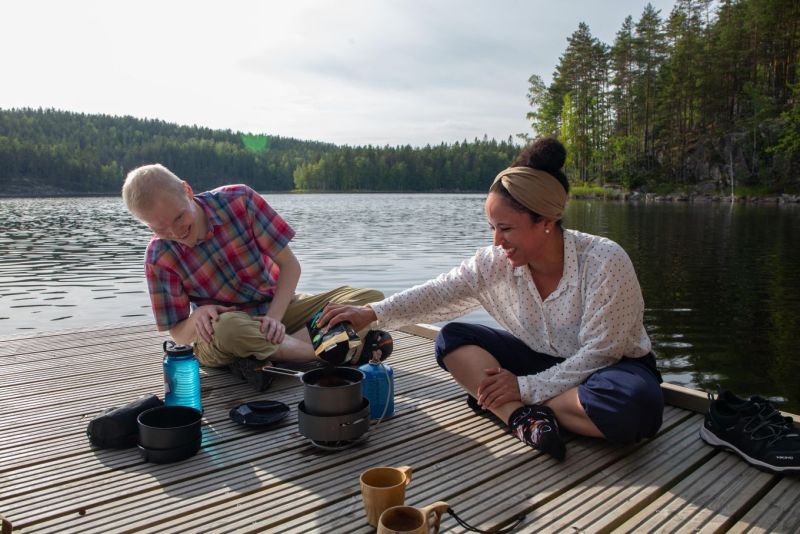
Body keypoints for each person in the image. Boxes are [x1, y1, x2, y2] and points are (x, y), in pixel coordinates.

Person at [318, 138, 663, 461]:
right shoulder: (494, 262)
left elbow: (600, 353)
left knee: (635, 407)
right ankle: (520, 418)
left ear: (545, 221)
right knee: (452, 338)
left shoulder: (603, 261)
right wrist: (371, 313)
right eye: (492, 227)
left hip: (607, 369)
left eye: (506, 228)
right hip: (541, 360)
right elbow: (439, 292)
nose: (497, 240)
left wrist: (523, 386)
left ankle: (511, 402)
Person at [121, 164, 392, 391]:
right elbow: (179, 334)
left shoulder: (240, 201)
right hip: (223, 333)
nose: (176, 231)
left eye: (179, 217)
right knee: (230, 328)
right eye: (160, 228)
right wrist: (197, 315)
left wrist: (274, 318)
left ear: (187, 191)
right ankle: (321, 351)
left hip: (278, 312)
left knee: (369, 300)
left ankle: (278, 354)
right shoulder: (158, 256)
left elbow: (290, 267)